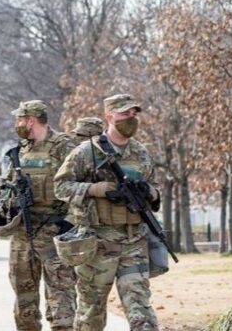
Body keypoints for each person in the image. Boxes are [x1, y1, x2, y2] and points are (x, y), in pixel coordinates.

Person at [54, 94, 161, 330]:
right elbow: (60, 186)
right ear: (109, 116)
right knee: (91, 312)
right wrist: (96, 189)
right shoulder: (87, 152)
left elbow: (156, 190)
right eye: (124, 113)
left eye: (134, 113)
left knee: (141, 310)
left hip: (134, 241)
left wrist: (149, 192)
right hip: (98, 243)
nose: (131, 118)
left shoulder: (141, 152)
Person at [0, 100, 78, 331]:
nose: (17, 124)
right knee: (24, 303)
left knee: (61, 302)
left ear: (30, 120)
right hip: (23, 234)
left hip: (55, 233)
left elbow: (79, 187)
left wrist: (71, 223)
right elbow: (8, 187)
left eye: (19, 119)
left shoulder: (64, 146)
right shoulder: (21, 150)